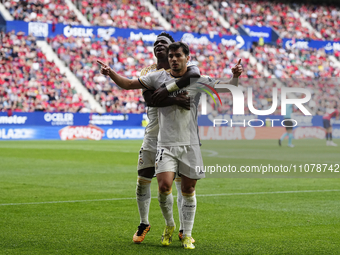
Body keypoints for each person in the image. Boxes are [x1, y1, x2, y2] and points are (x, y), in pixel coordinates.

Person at [97, 32, 201, 244]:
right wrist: (175, 98)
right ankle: (145, 222)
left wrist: (167, 93)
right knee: (143, 179)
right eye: (156, 44)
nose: (159, 46)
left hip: (177, 134)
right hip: (154, 135)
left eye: (164, 43)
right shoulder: (149, 72)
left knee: (182, 184)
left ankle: (183, 229)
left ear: (174, 50)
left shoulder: (185, 70)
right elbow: (151, 99)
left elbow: (194, 78)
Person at [138, 42, 243, 249]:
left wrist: (236, 76)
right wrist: (111, 73)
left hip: (190, 143)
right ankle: (169, 225)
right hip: (165, 143)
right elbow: (134, 86)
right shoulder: (158, 77)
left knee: (188, 189)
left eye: (178, 55)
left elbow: (229, 87)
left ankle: (186, 234)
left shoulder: (197, 79)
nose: (174, 59)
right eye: (171, 56)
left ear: (187, 57)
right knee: (164, 187)